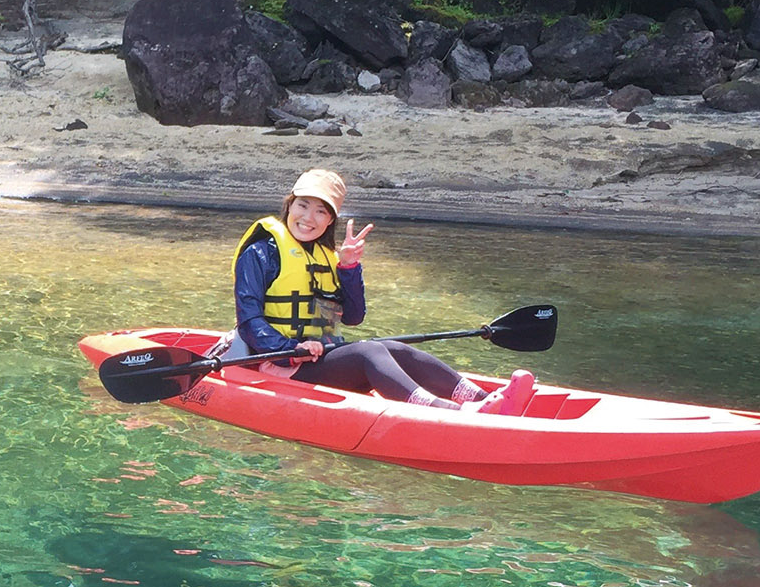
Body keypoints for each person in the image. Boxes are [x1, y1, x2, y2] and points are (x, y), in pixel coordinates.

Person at [228, 169, 534, 414]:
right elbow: (249, 321)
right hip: (278, 362)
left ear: (330, 219)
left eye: (320, 211)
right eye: (302, 205)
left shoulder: (328, 257)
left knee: (395, 348)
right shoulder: (260, 253)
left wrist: (349, 268)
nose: (308, 218)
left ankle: (485, 400)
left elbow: (353, 316)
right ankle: (445, 410)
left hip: (321, 359)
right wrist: (290, 350)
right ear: (289, 204)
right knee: (370, 350)